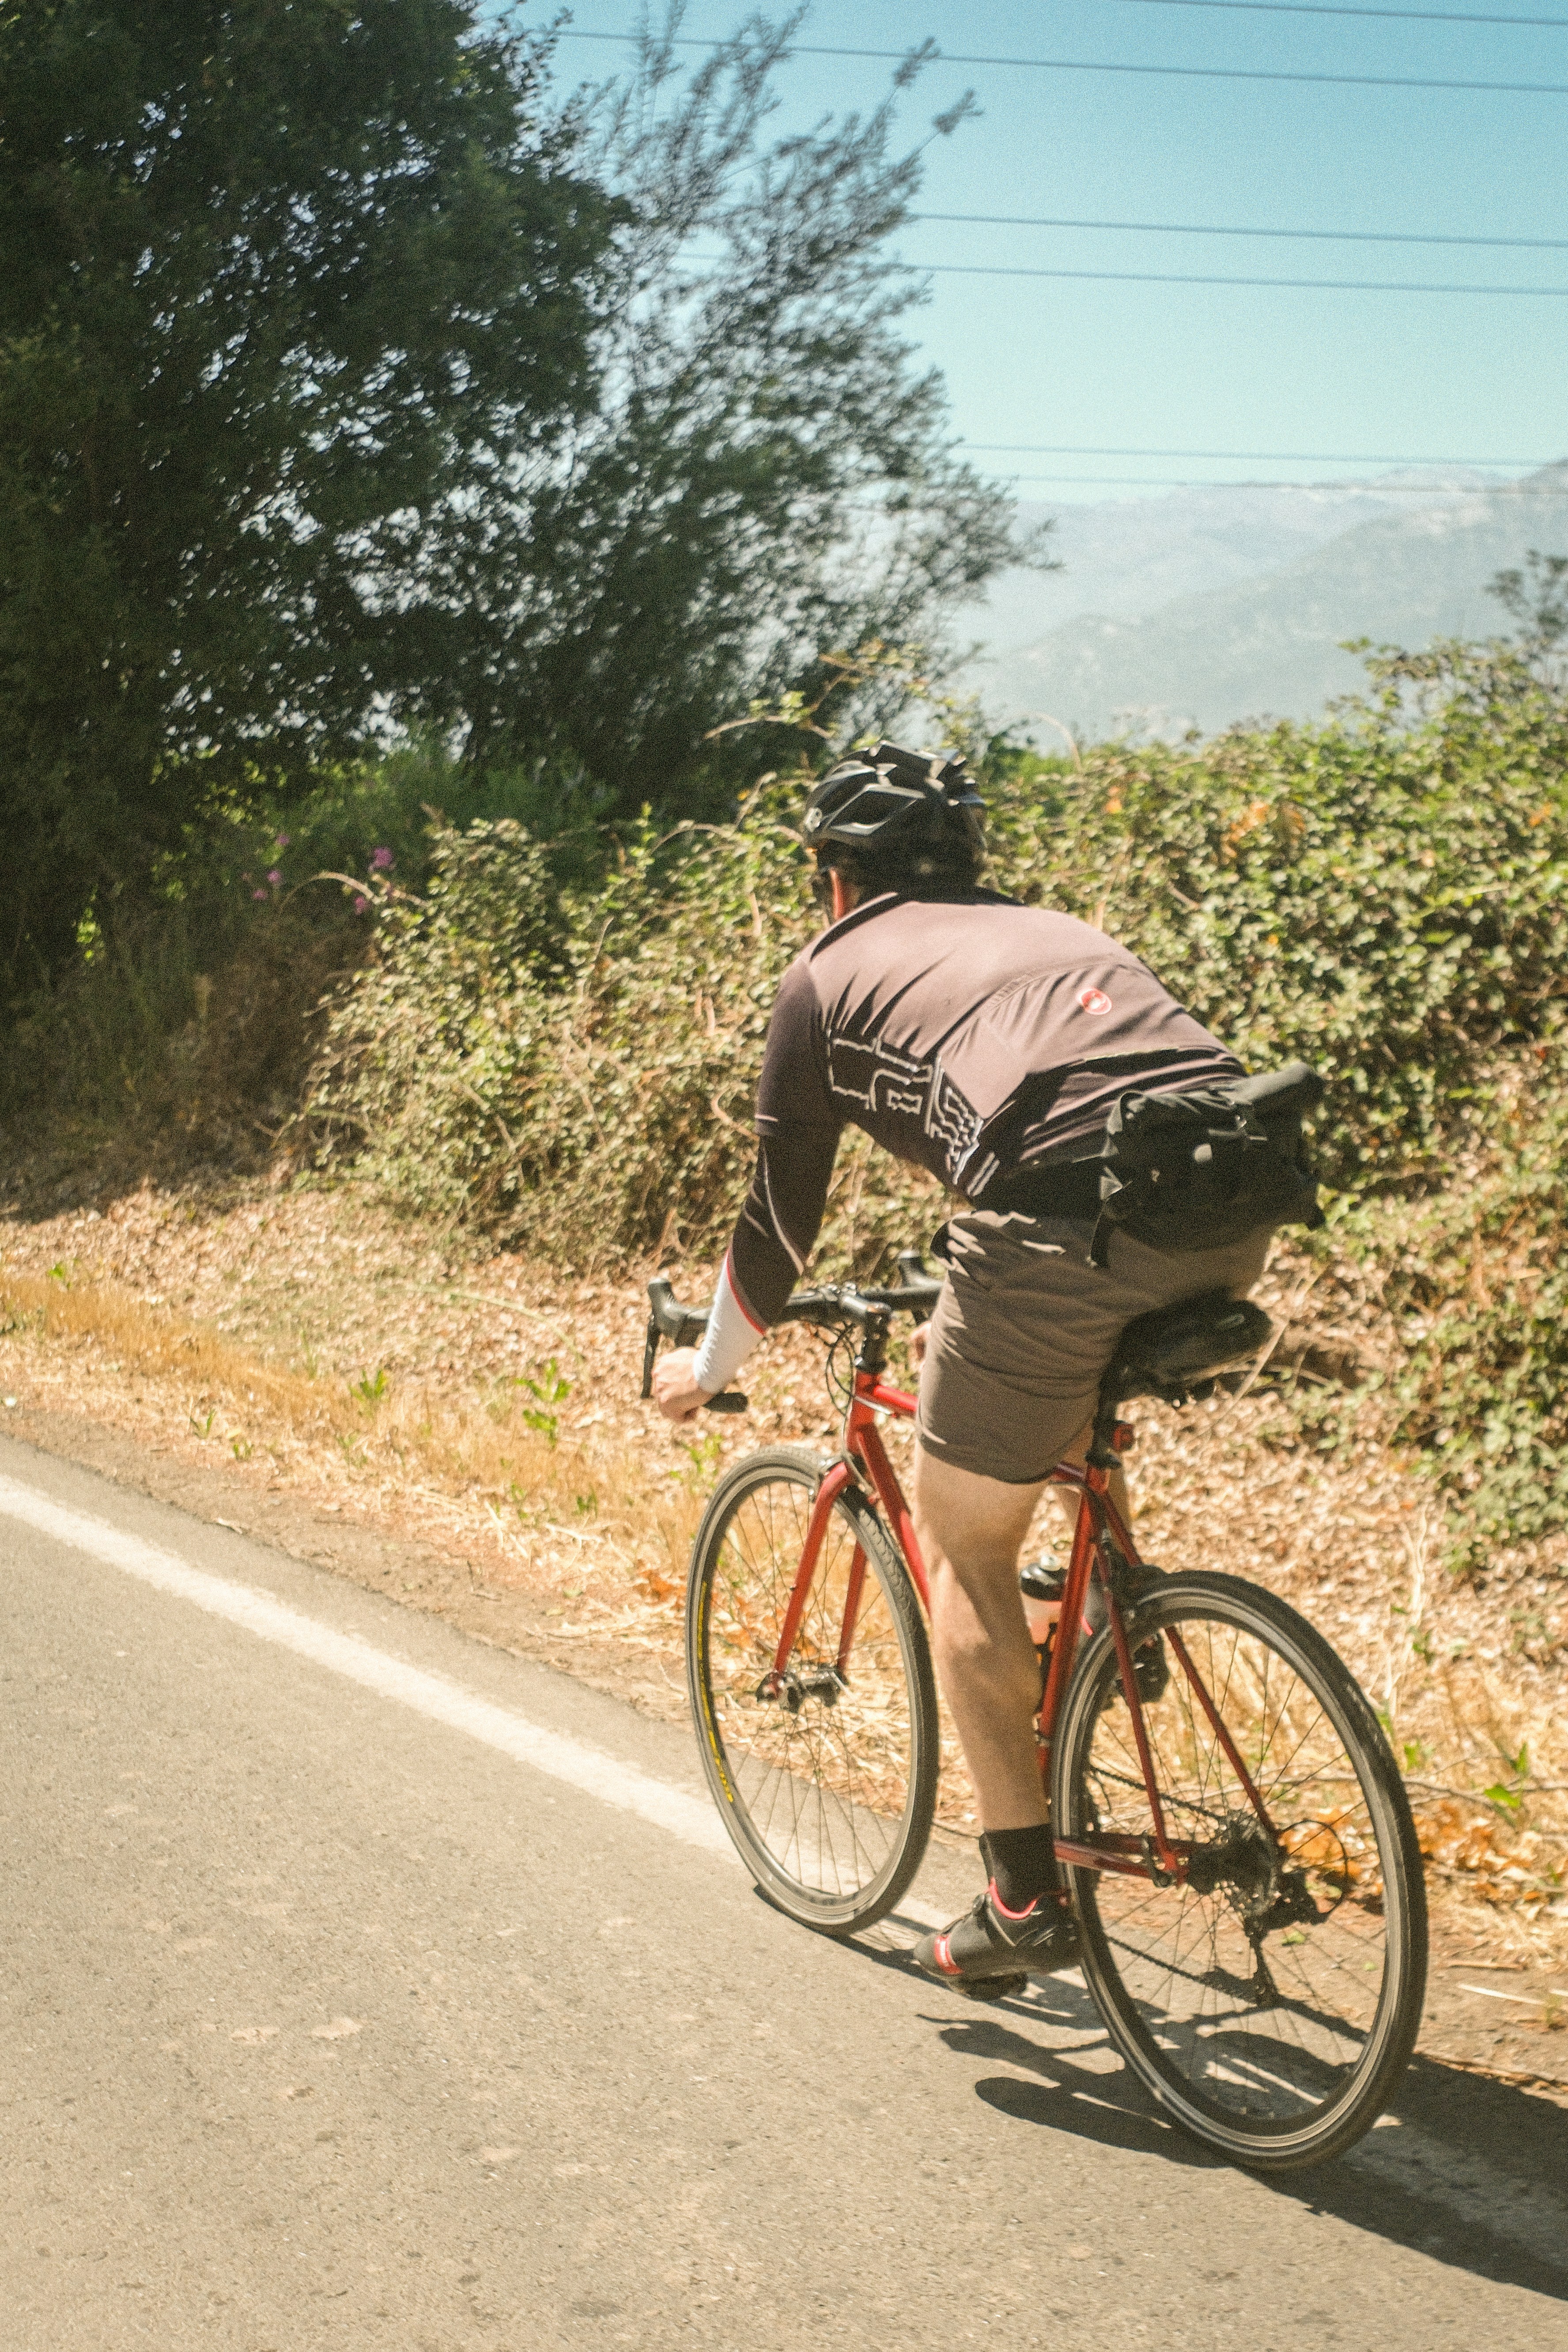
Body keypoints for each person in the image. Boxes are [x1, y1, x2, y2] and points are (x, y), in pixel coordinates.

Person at [652, 743, 1273, 1993]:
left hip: (1055, 1224)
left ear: (834, 880)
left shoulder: (826, 976)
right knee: (994, 1364)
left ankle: (1024, 1896)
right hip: (1236, 1193)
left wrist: (708, 1362)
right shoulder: (1056, 927)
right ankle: (1100, 1616)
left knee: (961, 1546)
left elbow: (778, 1221)